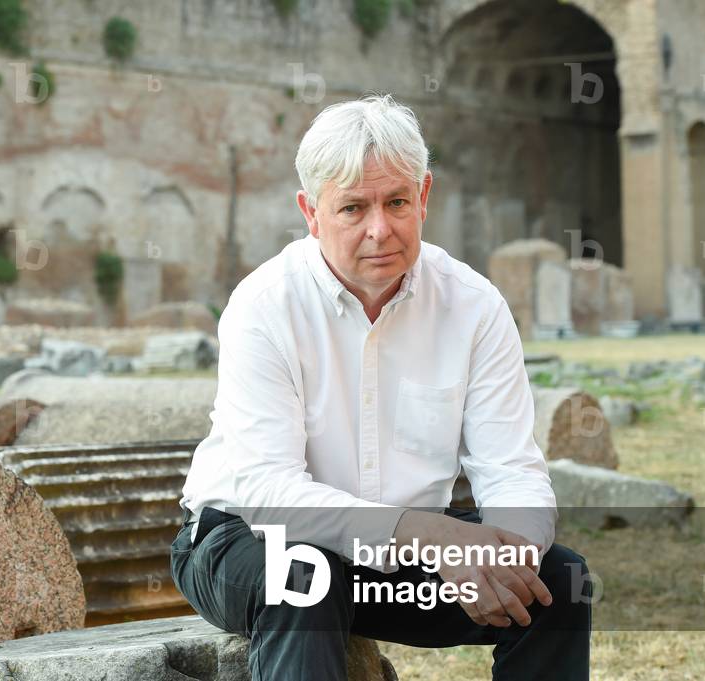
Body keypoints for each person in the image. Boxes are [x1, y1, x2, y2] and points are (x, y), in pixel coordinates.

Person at [171, 93, 591, 681]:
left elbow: (512, 468)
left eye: (397, 202)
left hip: (394, 564)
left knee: (556, 587)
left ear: (423, 197)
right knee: (305, 577)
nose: (380, 229)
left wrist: (509, 558)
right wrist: (429, 534)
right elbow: (269, 492)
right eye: (352, 209)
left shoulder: (473, 305)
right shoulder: (263, 305)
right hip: (242, 540)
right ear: (310, 213)